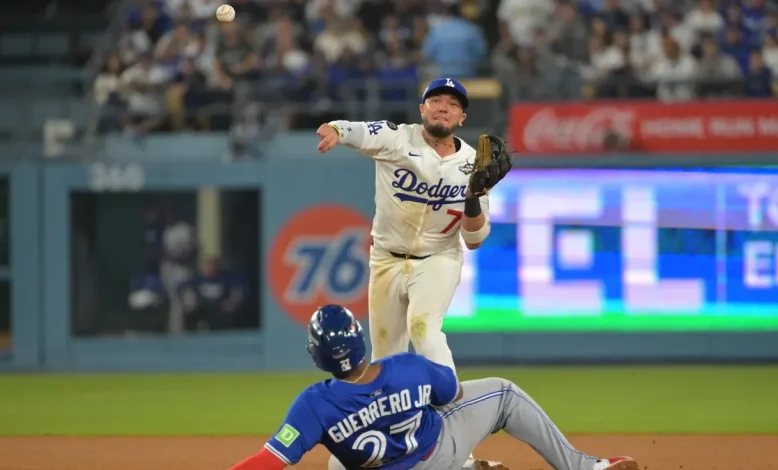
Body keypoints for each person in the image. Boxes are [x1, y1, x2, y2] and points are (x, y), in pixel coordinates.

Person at [315, 77, 510, 466]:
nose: (442, 107)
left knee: (424, 330)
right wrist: (334, 130)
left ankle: (464, 455)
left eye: (452, 104)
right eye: (435, 100)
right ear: (422, 110)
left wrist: (473, 198)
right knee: (386, 360)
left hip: (438, 258)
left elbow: (474, 239)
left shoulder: (473, 164)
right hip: (386, 259)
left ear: (461, 117)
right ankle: (394, 451)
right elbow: (353, 129)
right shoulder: (396, 138)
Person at [227, 305, 639, 470]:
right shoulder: (406, 367)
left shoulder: (313, 405)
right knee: (505, 394)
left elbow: (269, 460)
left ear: (316, 356)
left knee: (336, 463)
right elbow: (452, 394)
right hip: (436, 455)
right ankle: (587, 469)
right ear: (358, 338)